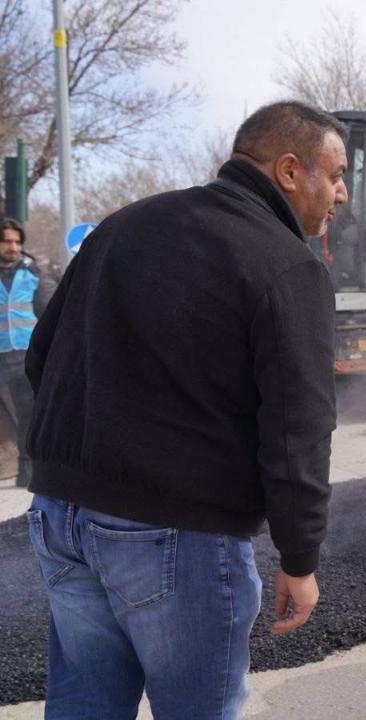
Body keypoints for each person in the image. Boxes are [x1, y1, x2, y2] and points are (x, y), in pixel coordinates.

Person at [23, 101, 347, 718]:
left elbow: (45, 357)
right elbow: (297, 431)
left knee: (83, 704)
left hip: (59, 519)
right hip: (174, 536)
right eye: (334, 175)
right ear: (287, 170)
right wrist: (299, 558)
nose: (342, 194)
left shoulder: (123, 226)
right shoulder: (287, 265)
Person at [0, 218, 53, 488]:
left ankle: (28, 472)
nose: (13, 246)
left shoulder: (32, 273)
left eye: (17, 242)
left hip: (23, 356)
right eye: (7, 241)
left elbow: (49, 310)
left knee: (28, 415)